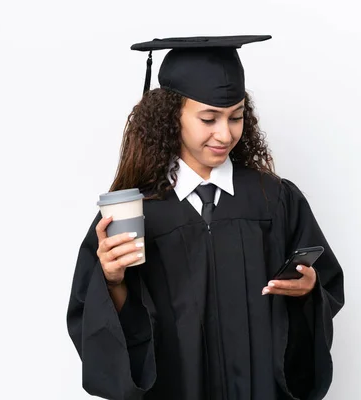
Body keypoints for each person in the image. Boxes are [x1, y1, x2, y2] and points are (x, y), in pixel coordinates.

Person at [66, 35, 345, 400]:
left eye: (236, 117)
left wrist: (308, 292)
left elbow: (324, 288)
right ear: (171, 116)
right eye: (208, 118)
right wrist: (113, 280)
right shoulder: (139, 210)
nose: (225, 133)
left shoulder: (274, 199)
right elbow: (104, 328)